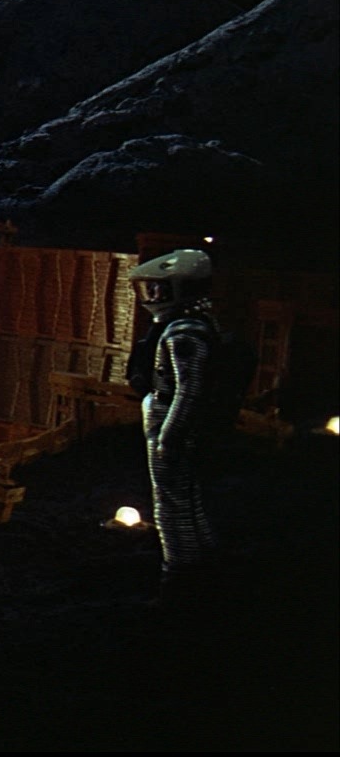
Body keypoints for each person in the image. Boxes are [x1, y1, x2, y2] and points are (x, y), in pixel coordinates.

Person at [127, 248, 233, 595]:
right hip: (174, 420)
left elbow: (190, 390)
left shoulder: (184, 333)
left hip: (172, 422)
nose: (152, 296)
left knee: (171, 506)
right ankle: (204, 566)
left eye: (158, 288)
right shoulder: (195, 325)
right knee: (187, 499)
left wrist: (169, 437)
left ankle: (179, 578)